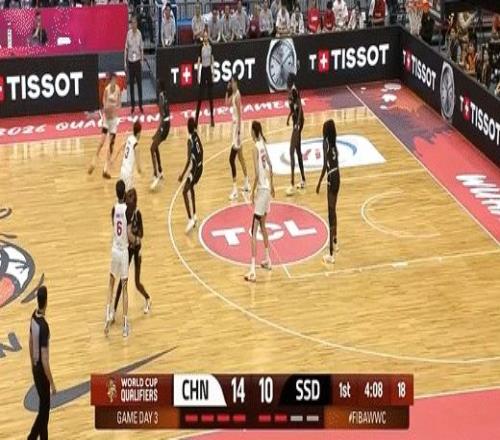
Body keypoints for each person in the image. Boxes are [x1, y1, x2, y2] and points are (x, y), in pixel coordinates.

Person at [113, 188, 152, 317]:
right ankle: (113, 310)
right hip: (129, 250)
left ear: (134, 201)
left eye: (130, 200)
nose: (127, 202)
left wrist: (134, 237)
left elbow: (142, 233)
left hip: (137, 250)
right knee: (122, 280)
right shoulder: (126, 214)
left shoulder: (137, 213)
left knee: (136, 282)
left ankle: (148, 298)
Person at [244, 121, 275, 283]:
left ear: (254, 132)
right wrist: (273, 186)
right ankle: (268, 260)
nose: (250, 133)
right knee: (263, 225)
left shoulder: (255, 148)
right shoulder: (263, 143)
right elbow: (270, 165)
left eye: (251, 130)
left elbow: (256, 174)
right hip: (267, 189)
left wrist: (252, 192)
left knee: (253, 230)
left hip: (262, 191)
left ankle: (252, 270)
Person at [28, 286, 56, 440]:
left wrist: (32, 363)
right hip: (41, 373)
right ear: (46, 302)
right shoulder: (44, 327)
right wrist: (52, 383)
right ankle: (32, 437)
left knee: (43, 408)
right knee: (44, 412)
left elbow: (30, 342)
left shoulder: (33, 316)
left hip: (35, 368)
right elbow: (45, 360)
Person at [105, 180, 131, 337]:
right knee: (125, 287)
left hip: (115, 250)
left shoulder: (113, 209)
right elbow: (128, 232)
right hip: (124, 251)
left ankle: (108, 314)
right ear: (124, 192)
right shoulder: (128, 210)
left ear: (116, 193)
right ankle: (125, 325)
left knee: (111, 283)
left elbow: (114, 226)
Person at [316, 119, 340, 264]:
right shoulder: (334, 144)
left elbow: (325, 165)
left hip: (331, 177)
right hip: (338, 175)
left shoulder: (325, 143)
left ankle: (331, 254)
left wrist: (319, 182)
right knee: (333, 211)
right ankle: (335, 241)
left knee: (330, 214)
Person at [88, 73, 121, 179]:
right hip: (107, 119)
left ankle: (105, 169)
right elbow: (103, 102)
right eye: (113, 80)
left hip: (114, 120)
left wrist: (115, 109)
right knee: (102, 141)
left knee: (111, 145)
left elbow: (119, 104)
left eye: (116, 80)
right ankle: (93, 161)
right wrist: (107, 109)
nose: (115, 81)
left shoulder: (118, 89)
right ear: (110, 80)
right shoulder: (106, 90)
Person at [178, 117, 204, 234]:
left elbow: (189, 160)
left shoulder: (190, 140)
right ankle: (195, 215)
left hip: (195, 169)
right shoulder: (196, 135)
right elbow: (202, 151)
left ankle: (190, 219)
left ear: (187, 128)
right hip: (200, 167)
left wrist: (182, 174)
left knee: (184, 192)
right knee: (191, 187)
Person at [226, 77, 250, 200]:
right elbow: (226, 103)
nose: (230, 84)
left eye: (231, 82)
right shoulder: (234, 94)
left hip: (238, 129)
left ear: (235, 83)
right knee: (240, 157)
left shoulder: (238, 95)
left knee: (231, 159)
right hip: (235, 128)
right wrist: (227, 90)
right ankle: (247, 183)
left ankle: (235, 190)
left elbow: (240, 115)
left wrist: (239, 132)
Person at [285, 74, 305, 196]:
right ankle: (303, 180)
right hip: (295, 122)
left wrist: (297, 124)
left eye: (288, 80)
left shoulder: (294, 91)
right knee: (297, 151)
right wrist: (288, 118)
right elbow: (293, 110)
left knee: (291, 150)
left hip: (298, 123)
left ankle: (292, 184)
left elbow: (300, 109)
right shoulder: (290, 92)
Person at [150, 81, 170, 190]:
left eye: (157, 86)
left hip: (164, 125)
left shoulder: (161, 97)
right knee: (155, 146)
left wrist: (159, 129)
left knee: (152, 148)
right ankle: (160, 171)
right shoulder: (165, 95)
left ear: (159, 88)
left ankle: (155, 174)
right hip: (167, 124)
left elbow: (162, 114)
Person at [124, 15, 144, 114]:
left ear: (137, 23)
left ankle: (140, 105)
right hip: (131, 62)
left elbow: (142, 48)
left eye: (135, 22)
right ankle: (132, 106)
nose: (133, 24)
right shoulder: (128, 34)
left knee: (139, 84)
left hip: (137, 62)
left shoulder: (139, 34)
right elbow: (126, 49)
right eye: (132, 23)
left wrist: (142, 60)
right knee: (131, 85)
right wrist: (125, 62)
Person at [195, 31, 215, 127]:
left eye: (207, 36)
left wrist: (213, 72)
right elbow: (199, 60)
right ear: (203, 38)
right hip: (203, 70)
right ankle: (196, 119)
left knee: (210, 96)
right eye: (205, 37)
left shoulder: (210, 46)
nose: (206, 38)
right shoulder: (201, 47)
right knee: (200, 96)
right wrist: (198, 73)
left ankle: (212, 118)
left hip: (208, 70)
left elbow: (212, 59)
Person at [120, 121, 143, 191]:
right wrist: (144, 174)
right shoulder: (136, 146)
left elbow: (122, 147)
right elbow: (139, 169)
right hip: (128, 174)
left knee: (122, 195)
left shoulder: (129, 138)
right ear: (138, 133)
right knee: (128, 195)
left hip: (122, 170)